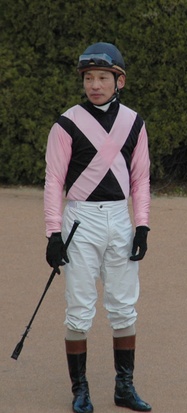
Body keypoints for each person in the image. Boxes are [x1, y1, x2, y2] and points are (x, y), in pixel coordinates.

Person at [44, 42, 152, 413]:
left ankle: (124, 388)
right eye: (89, 78)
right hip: (80, 221)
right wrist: (53, 233)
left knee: (124, 308)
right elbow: (53, 181)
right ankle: (81, 391)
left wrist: (142, 226)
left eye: (103, 77)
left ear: (119, 81)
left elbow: (140, 179)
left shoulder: (134, 122)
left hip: (120, 219)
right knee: (79, 310)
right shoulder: (66, 123)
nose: (94, 85)